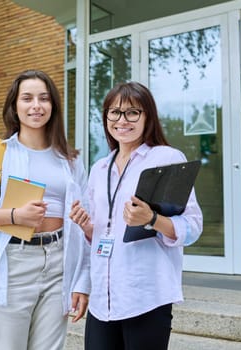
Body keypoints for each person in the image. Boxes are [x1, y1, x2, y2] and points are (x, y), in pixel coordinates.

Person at [0, 70, 90, 350]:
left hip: (60, 262)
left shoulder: (71, 160)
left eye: (44, 98)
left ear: (53, 106)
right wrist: (14, 216)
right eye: (27, 98)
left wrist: (82, 281)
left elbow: (83, 224)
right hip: (14, 260)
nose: (36, 105)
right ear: (15, 106)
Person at [70, 81, 203, 350]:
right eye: (114, 112)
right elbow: (99, 234)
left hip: (146, 296)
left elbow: (193, 226)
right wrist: (86, 228)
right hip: (102, 300)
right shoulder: (100, 168)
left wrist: (152, 220)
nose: (122, 120)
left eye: (133, 112)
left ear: (148, 117)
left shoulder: (165, 157)